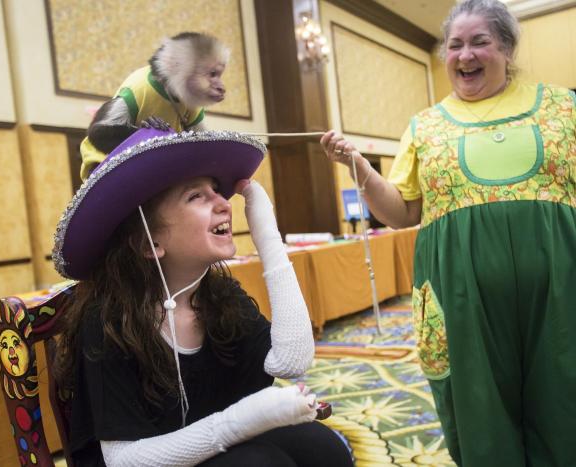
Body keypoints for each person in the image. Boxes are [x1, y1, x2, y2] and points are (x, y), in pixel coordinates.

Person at [320, 0, 576, 465]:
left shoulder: (563, 106)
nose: (464, 55)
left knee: (565, 386)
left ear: (507, 48)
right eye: (454, 45)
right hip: (459, 298)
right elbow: (400, 213)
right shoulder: (426, 126)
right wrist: (359, 167)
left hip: (562, 289)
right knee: (476, 399)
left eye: (480, 42)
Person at [53, 127, 353, 467]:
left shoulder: (217, 294)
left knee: (323, 448)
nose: (224, 203)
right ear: (149, 244)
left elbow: (291, 361)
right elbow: (124, 459)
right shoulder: (107, 320)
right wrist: (238, 422)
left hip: (207, 450)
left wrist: (270, 240)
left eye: (216, 190)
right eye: (196, 196)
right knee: (258, 464)